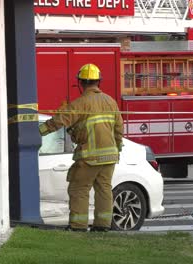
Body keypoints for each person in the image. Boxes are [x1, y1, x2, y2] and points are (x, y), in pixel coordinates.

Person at [39, 63, 124, 232]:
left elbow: (60, 120)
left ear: (81, 83)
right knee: (104, 190)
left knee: (79, 189)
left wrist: (39, 131)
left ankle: (78, 226)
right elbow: (119, 128)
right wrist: (118, 147)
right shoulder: (111, 102)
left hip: (90, 157)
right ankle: (102, 226)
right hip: (110, 157)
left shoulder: (81, 103)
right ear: (98, 82)